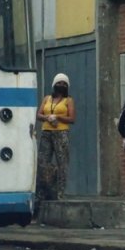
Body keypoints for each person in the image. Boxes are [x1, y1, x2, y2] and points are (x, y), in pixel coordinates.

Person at [35, 73, 76, 209]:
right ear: (54, 84)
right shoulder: (47, 98)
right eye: (59, 83)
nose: (62, 86)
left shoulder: (68, 100)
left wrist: (58, 117)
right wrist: (48, 118)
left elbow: (72, 118)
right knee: (43, 162)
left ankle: (60, 193)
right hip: (46, 131)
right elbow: (39, 114)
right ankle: (42, 192)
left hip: (61, 132)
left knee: (62, 162)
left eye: (64, 84)